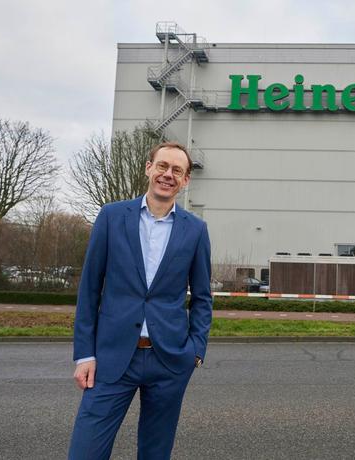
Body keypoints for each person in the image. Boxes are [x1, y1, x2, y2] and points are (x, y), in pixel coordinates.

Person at [68, 141, 212, 459]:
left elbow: (202, 298)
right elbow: (90, 289)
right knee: (86, 450)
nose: (168, 174)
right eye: (162, 166)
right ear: (148, 168)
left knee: (155, 453)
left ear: (186, 179)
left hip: (169, 360)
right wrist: (84, 354)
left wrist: (195, 352)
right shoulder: (111, 216)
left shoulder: (196, 230)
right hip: (111, 358)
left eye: (177, 170)